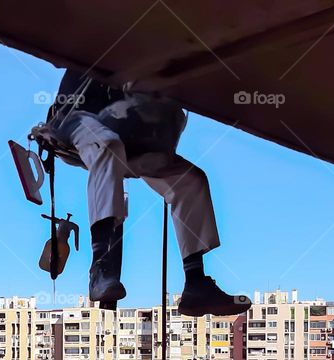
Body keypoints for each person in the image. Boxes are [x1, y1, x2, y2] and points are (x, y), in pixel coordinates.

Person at [49, 69, 251, 317]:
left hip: (126, 132)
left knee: (191, 180)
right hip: (78, 119)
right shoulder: (99, 52)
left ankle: (195, 281)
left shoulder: (144, 65)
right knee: (107, 145)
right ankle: (100, 267)